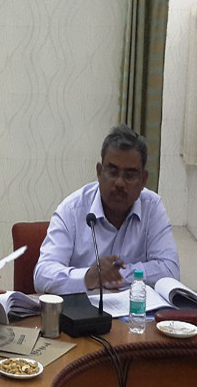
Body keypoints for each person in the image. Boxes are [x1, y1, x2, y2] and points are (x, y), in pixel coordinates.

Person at [33, 125, 180, 294]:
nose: (119, 183)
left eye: (130, 175)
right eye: (112, 172)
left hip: (134, 309)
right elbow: (42, 275)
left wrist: (114, 275)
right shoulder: (72, 210)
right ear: (99, 172)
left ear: (143, 180)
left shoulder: (152, 208)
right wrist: (88, 276)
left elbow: (170, 271)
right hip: (83, 309)